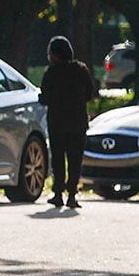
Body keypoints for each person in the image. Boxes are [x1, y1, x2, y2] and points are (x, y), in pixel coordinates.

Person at [40, 36, 98, 209]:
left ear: (56, 55)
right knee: (75, 159)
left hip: (57, 122)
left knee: (58, 158)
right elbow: (90, 93)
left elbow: (45, 98)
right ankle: (72, 194)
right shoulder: (81, 70)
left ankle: (58, 193)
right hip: (78, 121)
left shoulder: (51, 73)